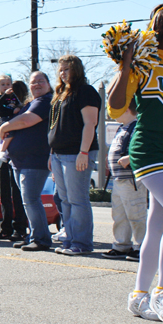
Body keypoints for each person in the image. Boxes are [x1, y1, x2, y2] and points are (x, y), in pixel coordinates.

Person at [109, 4, 163, 324]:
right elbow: (117, 107)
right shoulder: (145, 66)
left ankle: (139, 294)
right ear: (156, 32)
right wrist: (126, 64)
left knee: (157, 225)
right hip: (148, 150)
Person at [48, 55, 100, 256]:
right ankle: (69, 239)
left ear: (76, 70)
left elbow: (90, 123)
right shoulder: (60, 94)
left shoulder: (85, 91)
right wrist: (51, 153)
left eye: (67, 69)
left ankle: (82, 243)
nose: (63, 73)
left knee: (78, 199)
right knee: (65, 199)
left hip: (77, 154)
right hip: (58, 154)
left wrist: (83, 152)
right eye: (61, 70)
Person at [0, 71, 54, 251]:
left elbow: (25, 121)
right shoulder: (31, 103)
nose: (36, 84)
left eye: (41, 81)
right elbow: (18, 118)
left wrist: (5, 127)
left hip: (34, 160)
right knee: (26, 201)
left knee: (31, 199)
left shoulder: (46, 101)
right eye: (33, 82)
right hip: (19, 161)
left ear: (48, 84)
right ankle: (33, 236)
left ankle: (42, 239)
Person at [103, 99, 146, 261]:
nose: (111, 112)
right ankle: (121, 244)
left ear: (127, 109)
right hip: (119, 179)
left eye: (114, 109)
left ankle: (142, 246)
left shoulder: (138, 127)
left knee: (136, 213)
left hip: (132, 181)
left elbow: (144, 147)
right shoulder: (122, 128)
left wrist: (130, 157)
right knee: (119, 214)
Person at [0, 77, 30, 241]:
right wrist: (3, 126)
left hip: (17, 155)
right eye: (4, 86)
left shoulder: (23, 109)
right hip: (4, 156)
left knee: (18, 193)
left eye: (10, 87)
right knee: (5, 194)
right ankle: (5, 227)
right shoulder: (4, 110)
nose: (8, 89)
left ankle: (20, 228)